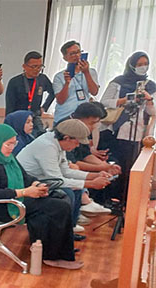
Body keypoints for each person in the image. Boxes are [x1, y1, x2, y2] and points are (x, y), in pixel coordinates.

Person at [0, 124, 81, 269]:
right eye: (8, 144)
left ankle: (54, 249)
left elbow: (25, 177)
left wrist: (37, 185)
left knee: (60, 197)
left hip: (17, 198)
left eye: (14, 143)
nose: (12, 148)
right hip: (4, 206)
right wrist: (25, 192)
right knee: (59, 207)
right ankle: (55, 255)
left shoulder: (8, 158)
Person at [17, 119, 111, 232]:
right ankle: (60, 231)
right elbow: (57, 180)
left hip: (43, 179)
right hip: (29, 183)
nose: (77, 146)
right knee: (68, 193)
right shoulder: (47, 146)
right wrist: (91, 184)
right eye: (77, 142)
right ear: (67, 138)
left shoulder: (58, 142)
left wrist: (94, 176)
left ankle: (70, 228)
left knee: (76, 190)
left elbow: (66, 171)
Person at [99, 51, 156, 181]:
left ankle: (127, 192)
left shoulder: (150, 86)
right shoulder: (118, 82)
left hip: (137, 132)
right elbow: (104, 101)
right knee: (115, 164)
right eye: (139, 64)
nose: (143, 67)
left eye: (146, 64)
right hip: (115, 129)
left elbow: (153, 112)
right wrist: (123, 100)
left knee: (131, 166)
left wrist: (149, 99)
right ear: (132, 65)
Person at [4, 51, 54, 136]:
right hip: (19, 119)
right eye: (34, 66)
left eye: (40, 66)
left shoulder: (43, 79)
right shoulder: (15, 82)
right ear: (24, 66)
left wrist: (44, 107)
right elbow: (10, 106)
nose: (37, 70)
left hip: (35, 117)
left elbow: (53, 92)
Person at [52, 40, 100, 123]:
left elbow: (94, 92)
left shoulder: (91, 72)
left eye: (78, 52)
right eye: (72, 53)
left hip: (84, 117)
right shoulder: (59, 76)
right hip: (64, 117)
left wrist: (86, 72)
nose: (77, 56)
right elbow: (60, 100)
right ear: (65, 58)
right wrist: (67, 83)